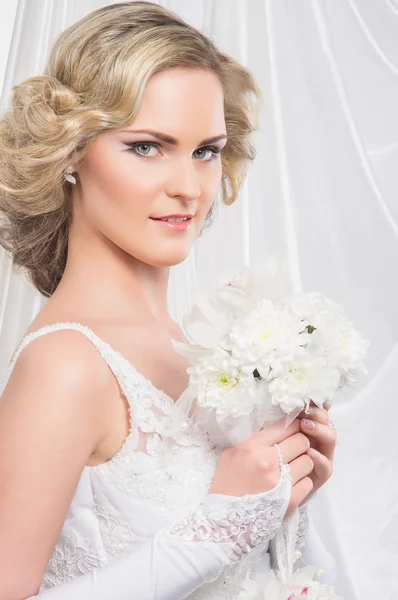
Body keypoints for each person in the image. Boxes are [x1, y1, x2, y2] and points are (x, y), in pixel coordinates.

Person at [0, 2, 338, 599]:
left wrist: (283, 496)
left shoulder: (198, 344)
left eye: (205, 151)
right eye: (147, 147)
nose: (188, 187)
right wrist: (219, 528)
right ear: (71, 151)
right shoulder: (67, 367)